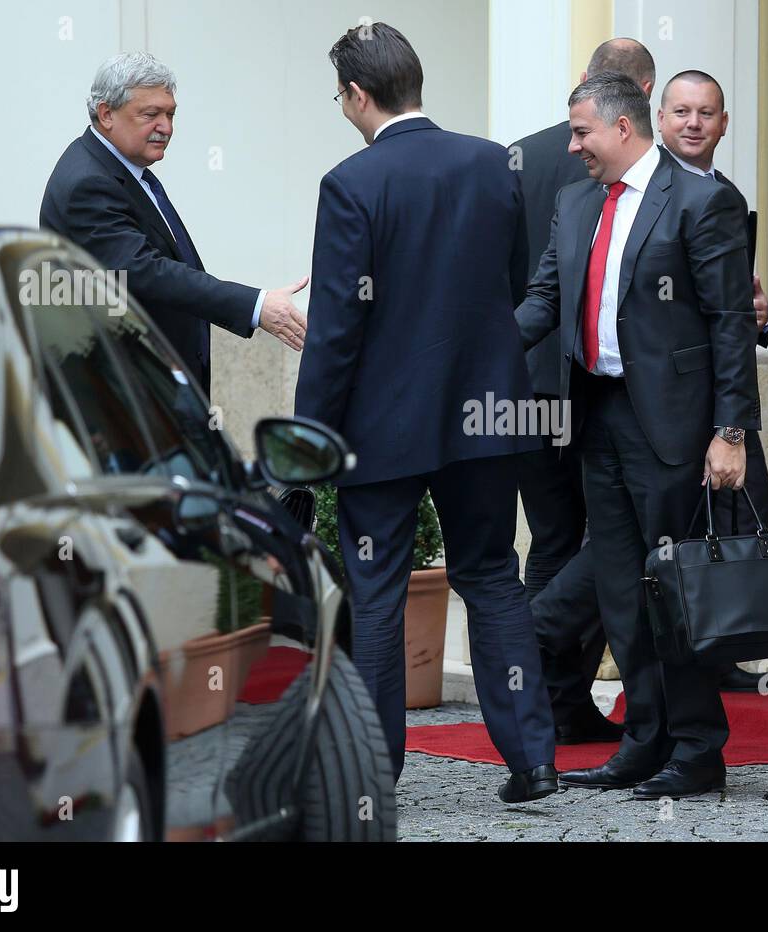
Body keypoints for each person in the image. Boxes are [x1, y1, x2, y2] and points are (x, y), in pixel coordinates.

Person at [293, 22, 557, 803]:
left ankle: (375, 772)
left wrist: (311, 436)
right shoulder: (489, 161)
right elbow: (511, 283)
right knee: (494, 578)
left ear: (357, 95)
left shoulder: (350, 183)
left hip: (385, 428)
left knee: (376, 592)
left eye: (339, 93)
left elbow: (336, 331)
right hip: (486, 415)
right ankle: (534, 760)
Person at [515, 72, 761, 799]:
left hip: (676, 429)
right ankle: (643, 740)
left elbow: (730, 325)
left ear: (623, 128)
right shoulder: (574, 200)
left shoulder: (701, 200)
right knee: (622, 592)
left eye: (582, 131)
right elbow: (544, 301)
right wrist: (478, 355)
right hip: (599, 417)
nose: (573, 145)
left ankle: (697, 749)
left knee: (672, 590)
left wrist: (730, 431)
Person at [509, 37, 657, 746]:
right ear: (642, 96)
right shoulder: (579, 175)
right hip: (580, 388)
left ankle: (552, 698)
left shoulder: (516, 157)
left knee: (556, 542)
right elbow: (540, 286)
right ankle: (553, 681)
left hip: (539, 386)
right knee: (609, 547)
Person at [40, 52, 308, 396]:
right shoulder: (88, 183)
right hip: (125, 398)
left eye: (170, 114)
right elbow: (145, 272)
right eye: (151, 115)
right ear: (106, 114)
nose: (166, 127)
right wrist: (255, 305)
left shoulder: (125, 171)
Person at [657, 69, 768, 692]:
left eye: (706, 113)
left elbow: (734, 305)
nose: (693, 123)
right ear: (660, 119)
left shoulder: (726, 195)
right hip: (667, 400)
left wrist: (762, 316)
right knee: (676, 528)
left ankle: (722, 645)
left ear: (724, 123)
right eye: (681, 111)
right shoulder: (649, 193)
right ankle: (681, 654)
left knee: (743, 507)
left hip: (723, 389)